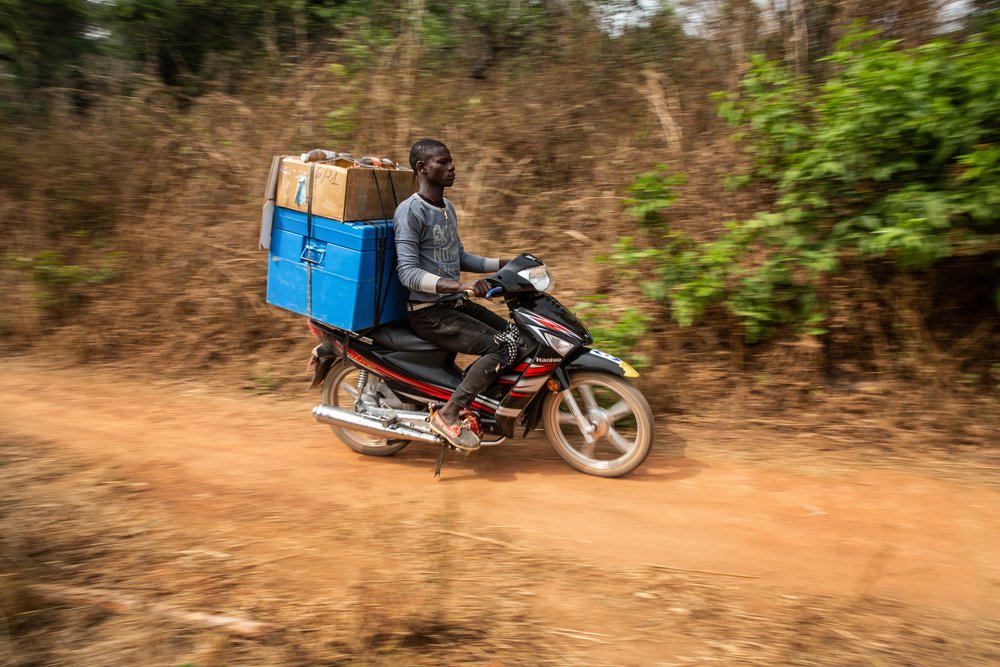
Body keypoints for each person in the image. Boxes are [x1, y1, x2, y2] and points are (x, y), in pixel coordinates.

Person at [393, 138, 518, 451]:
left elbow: (459, 257)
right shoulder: (410, 212)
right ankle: (448, 415)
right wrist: (461, 285)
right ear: (422, 168)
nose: (452, 168)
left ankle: (491, 405)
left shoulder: (446, 207)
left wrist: (505, 264)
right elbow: (407, 274)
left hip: (454, 304)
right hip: (428, 313)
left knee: (518, 336)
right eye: (443, 162)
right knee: (501, 348)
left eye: (451, 162)